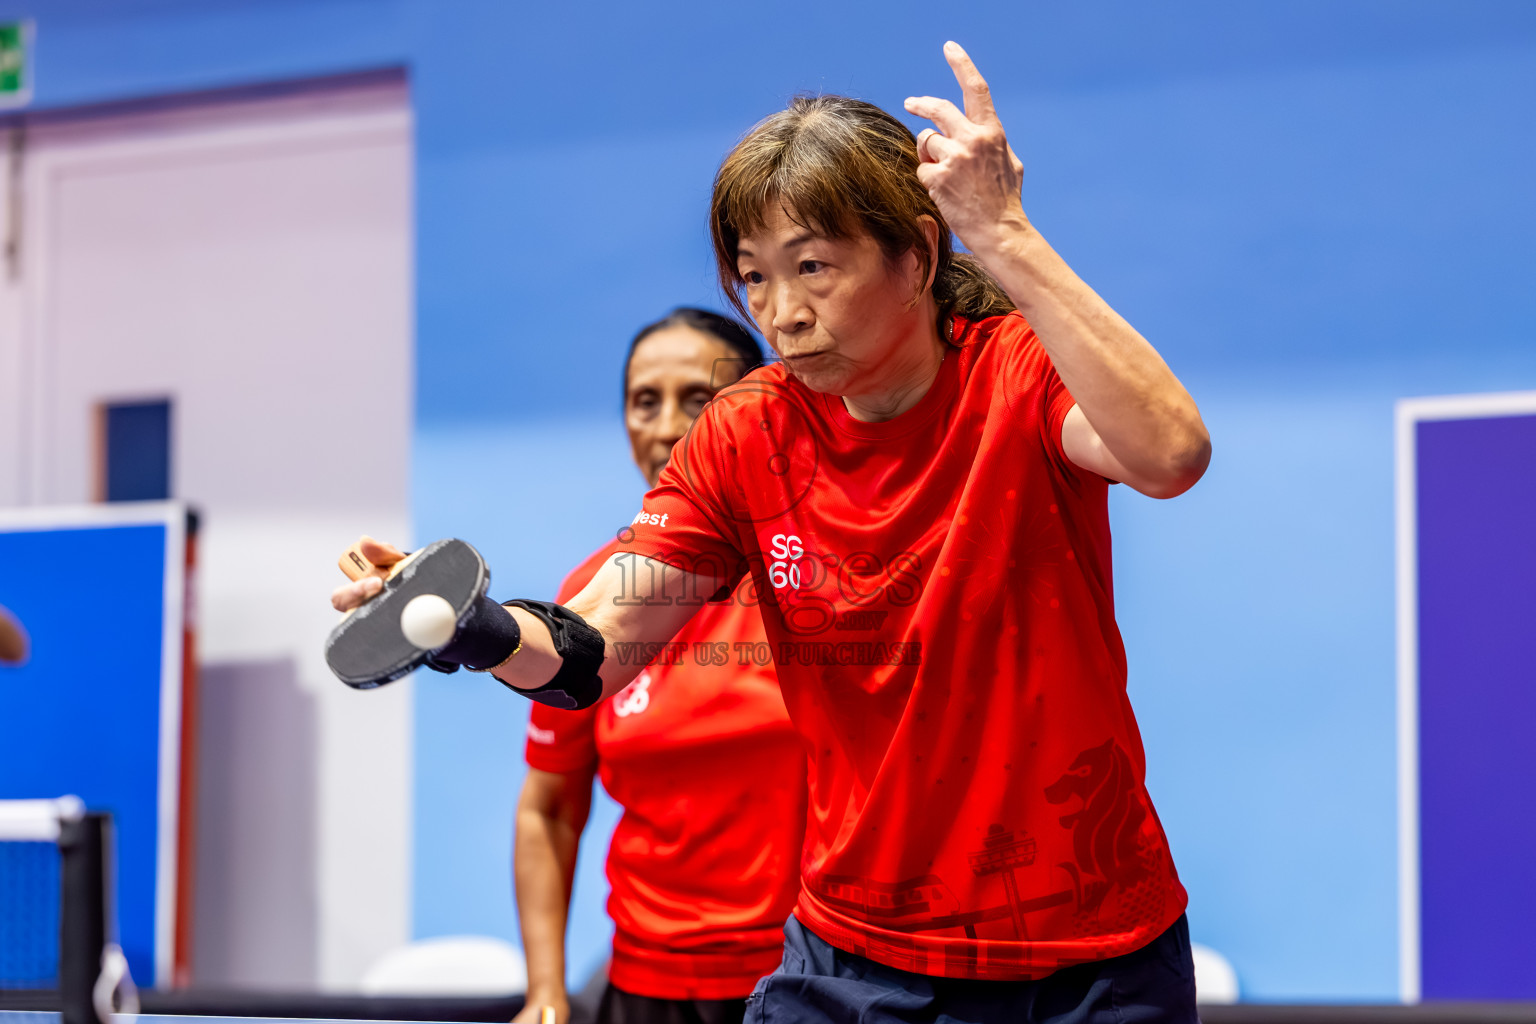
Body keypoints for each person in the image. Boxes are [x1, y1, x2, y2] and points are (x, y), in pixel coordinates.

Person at [334, 43, 1211, 1022]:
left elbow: (1170, 454)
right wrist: (466, 624)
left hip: (1086, 955)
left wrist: (1005, 233)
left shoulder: (1019, 371)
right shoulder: (748, 429)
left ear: (918, 255)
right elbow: (588, 657)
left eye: (813, 268)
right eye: (754, 277)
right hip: (855, 955)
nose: (781, 313)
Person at [512, 310, 806, 1024]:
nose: (668, 424)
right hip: (646, 990)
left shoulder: (815, 581)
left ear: (757, 412)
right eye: (646, 400)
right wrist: (547, 993)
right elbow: (549, 811)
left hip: (812, 977)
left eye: (698, 399)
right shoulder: (588, 595)